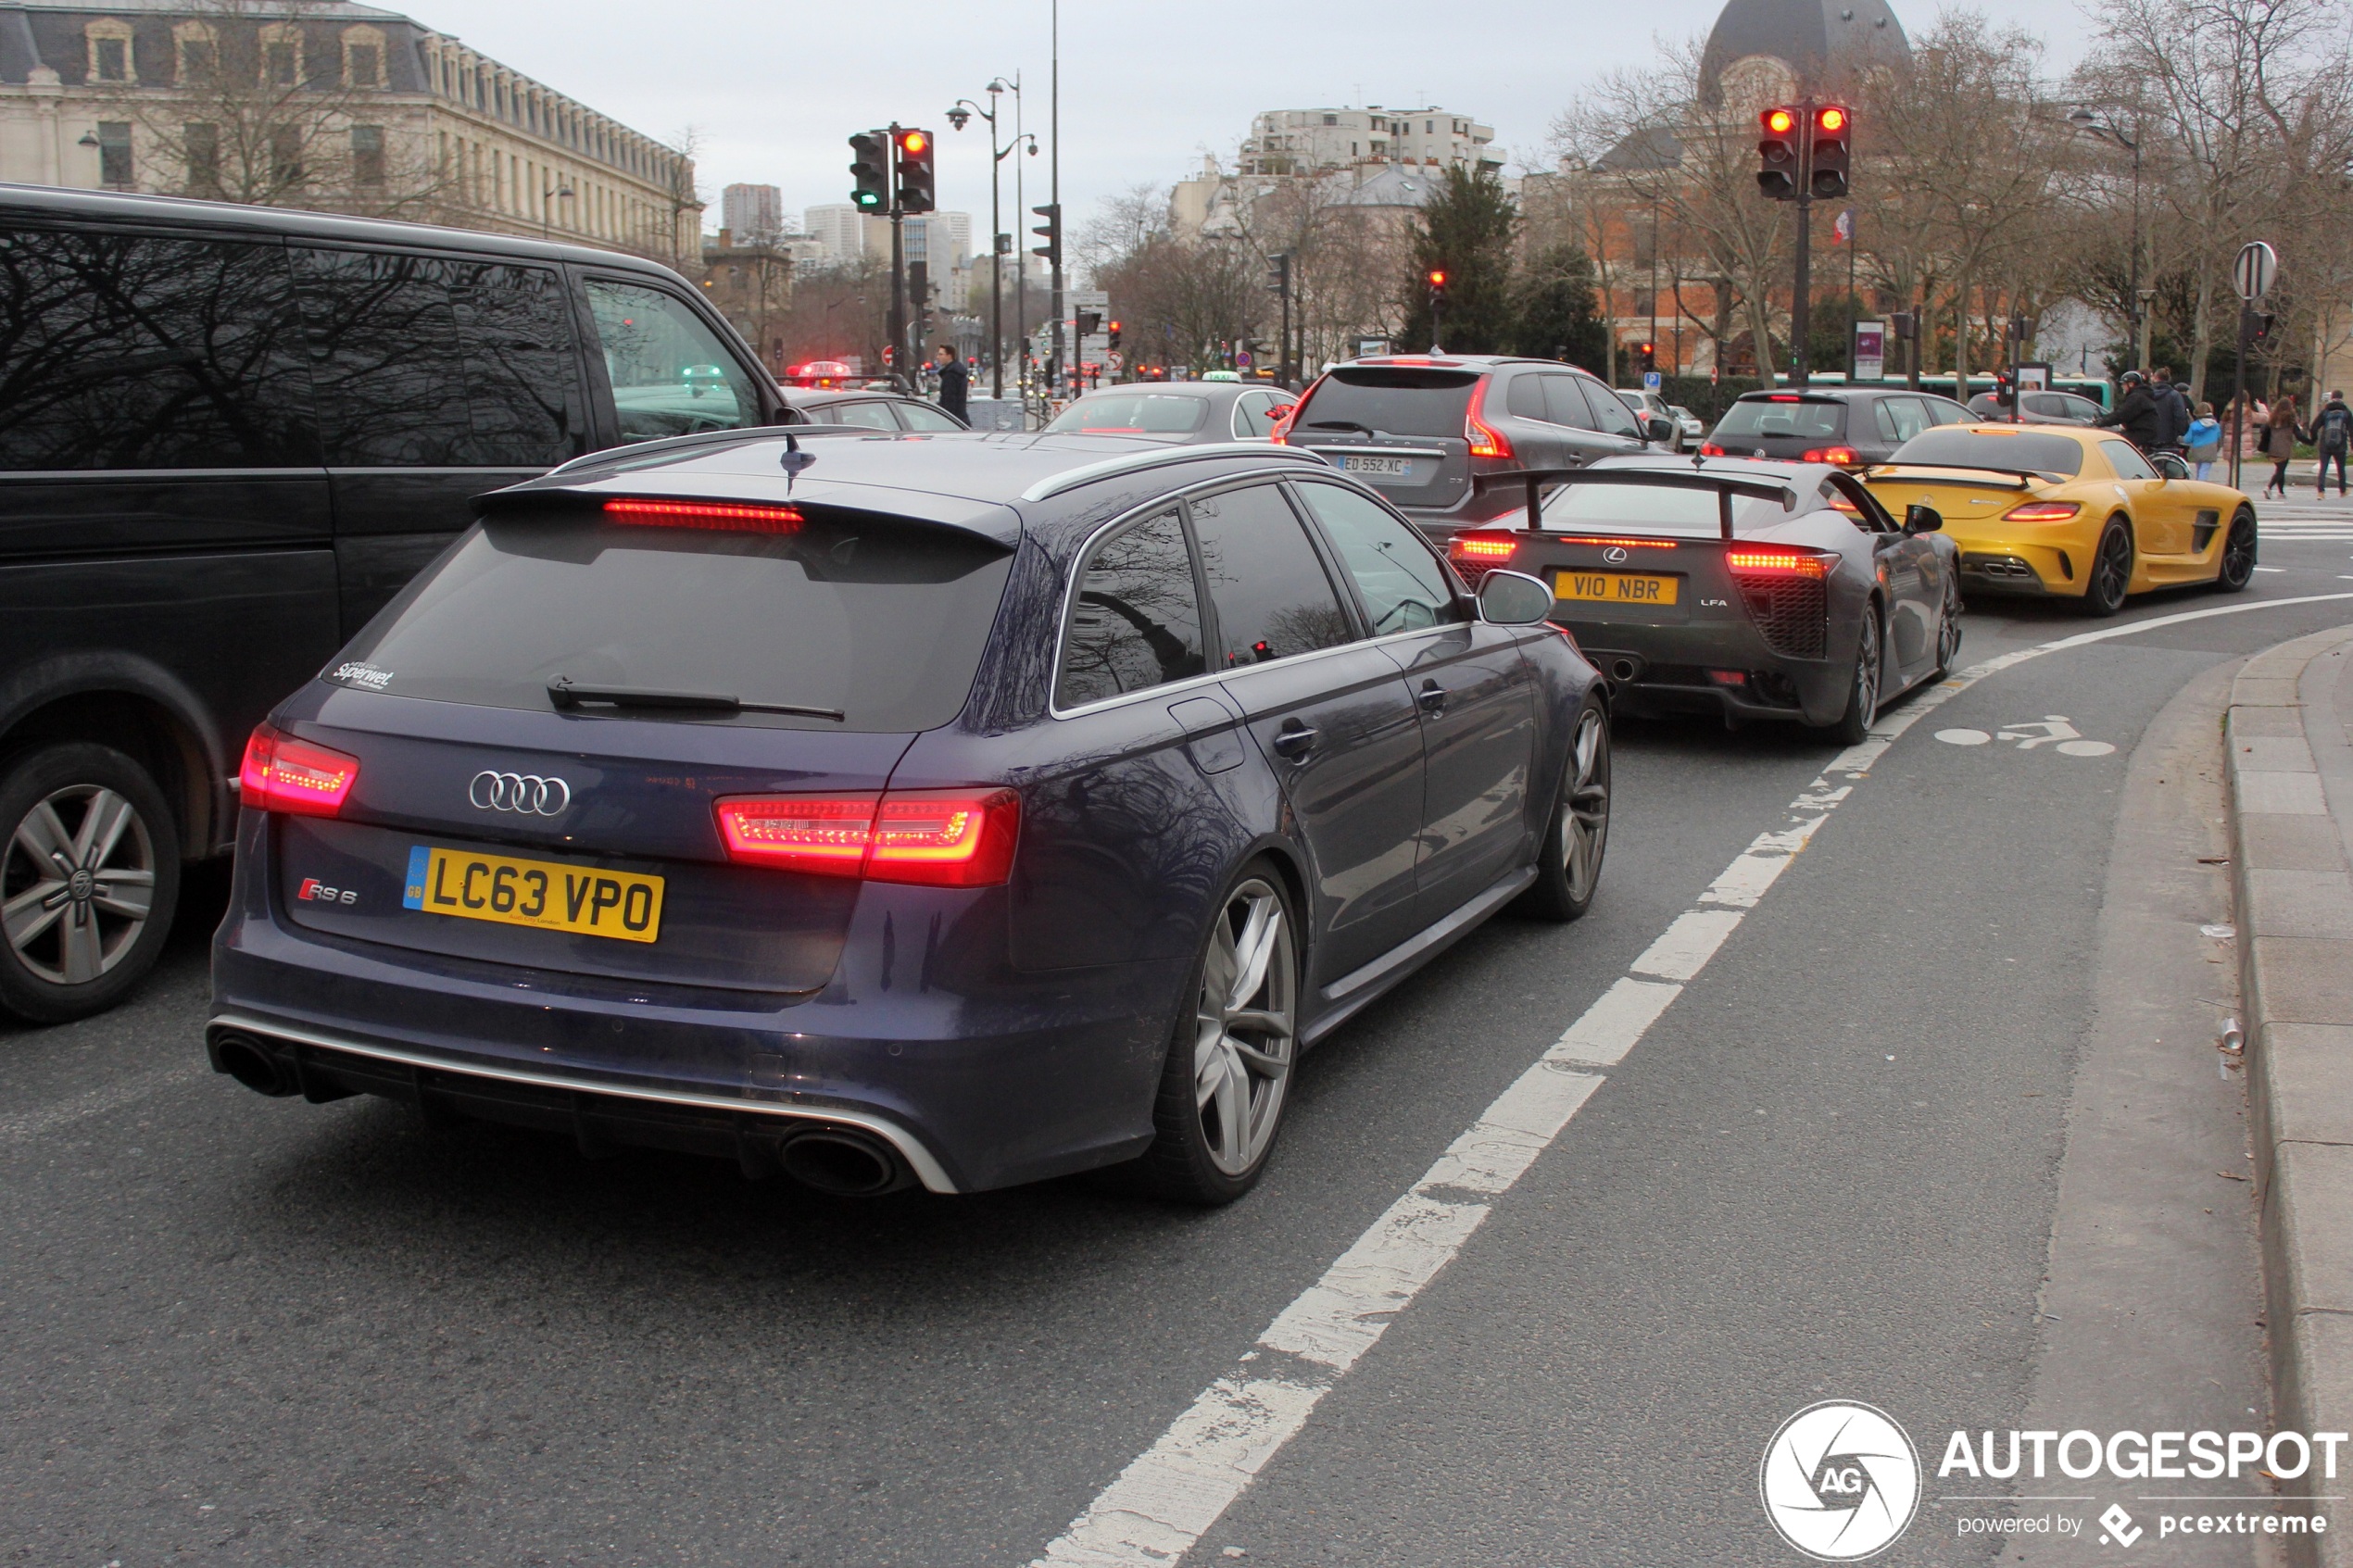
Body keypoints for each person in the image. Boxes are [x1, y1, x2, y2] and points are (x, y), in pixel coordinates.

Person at [2098, 370, 2162, 450]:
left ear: (2131, 384)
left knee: (2118, 444)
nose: (2122, 386)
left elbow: (2122, 414)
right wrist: (2105, 418)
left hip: (2143, 432)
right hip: (2144, 430)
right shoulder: (2139, 394)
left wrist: (2101, 422)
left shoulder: (2136, 397)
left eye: (2124, 384)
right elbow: (2121, 412)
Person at [2261, 392, 2300, 499]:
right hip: (2284, 447)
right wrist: (2309, 441)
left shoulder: (2272, 418)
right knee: (2281, 470)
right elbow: (2298, 433)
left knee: (2280, 469)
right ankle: (2269, 487)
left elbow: (2263, 429)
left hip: (2272, 447)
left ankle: (2281, 492)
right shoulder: (2290, 418)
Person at [2316, 390, 2352, 496]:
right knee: (2341, 468)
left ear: (2332, 397)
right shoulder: (2346, 412)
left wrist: (2314, 439)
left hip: (2325, 445)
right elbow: (2351, 430)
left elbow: (2314, 426)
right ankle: (2343, 491)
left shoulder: (2325, 411)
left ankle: (2321, 492)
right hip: (2340, 445)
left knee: (2323, 468)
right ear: (2341, 397)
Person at [2148, 366, 2190, 456]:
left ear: (2155, 378)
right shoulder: (2175, 395)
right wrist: (2178, 434)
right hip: (2169, 438)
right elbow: (2180, 417)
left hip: (2149, 437)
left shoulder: (2147, 394)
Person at [933, 344, 969, 425]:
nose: (938, 357)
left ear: (949, 356)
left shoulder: (950, 375)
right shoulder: (958, 372)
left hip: (953, 422)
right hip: (960, 420)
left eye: (941, 354)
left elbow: (949, 401)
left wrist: (945, 420)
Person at [2185, 401, 2222, 481]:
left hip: (2197, 449)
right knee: (2204, 470)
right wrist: (2217, 448)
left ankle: (2198, 482)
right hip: (2210, 449)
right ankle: (2201, 485)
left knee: (2199, 469)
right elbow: (2219, 438)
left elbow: (2188, 439)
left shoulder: (2194, 425)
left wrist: (2180, 438)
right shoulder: (2215, 425)